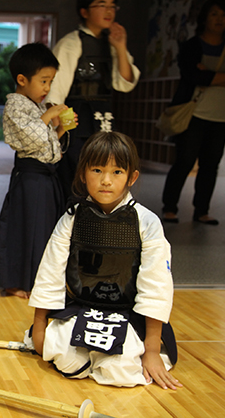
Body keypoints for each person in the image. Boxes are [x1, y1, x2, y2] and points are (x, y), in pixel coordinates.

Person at [26, 131, 182, 389]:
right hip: (82, 306)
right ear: (83, 174)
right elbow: (50, 273)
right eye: (97, 170)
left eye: (117, 172)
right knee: (67, 359)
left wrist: (152, 350)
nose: (106, 181)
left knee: (122, 373)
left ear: (132, 177)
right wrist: (39, 327)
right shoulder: (71, 218)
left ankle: (111, 356)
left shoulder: (148, 222)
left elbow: (157, 287)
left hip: (128, 313)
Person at [0, 42, 73, 299]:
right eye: (43, 81)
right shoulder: (15, 105)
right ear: (21, 79)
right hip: (30, 178)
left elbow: (48, 144)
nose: (47, 88)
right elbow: (33, 137)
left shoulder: (36, 106)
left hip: (45, 177)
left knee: (45, 230)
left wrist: (61, 129)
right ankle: (17, 282)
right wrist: (50, 115)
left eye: (50, 81)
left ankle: (39, 281)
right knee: (25, 230)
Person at [44, 0, 140, 200]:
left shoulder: (111, 43)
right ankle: (74, 218)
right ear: (84, 12)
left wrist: (121, 46)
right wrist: (58, 133)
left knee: (104, 166)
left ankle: (99, 216)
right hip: (73, 113)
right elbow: (56, 93)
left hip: (103, 113)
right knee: (76, 170)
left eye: (112, 5)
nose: (109, 11)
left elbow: (125, 83)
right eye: (101, 4)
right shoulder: (71, 42)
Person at [161, 0, 225, 225]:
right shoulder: (192, 46)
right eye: (214, 14)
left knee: (211, 165)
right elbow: (193, 76)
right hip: (194, 115)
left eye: (223, 15)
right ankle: (169, 207)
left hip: (221, 117)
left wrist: (209, 75)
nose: (219, 20)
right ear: (204, 19)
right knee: (185, 161)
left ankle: (202, 211)